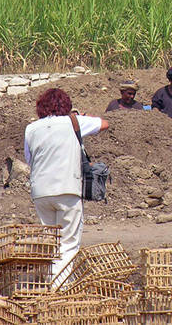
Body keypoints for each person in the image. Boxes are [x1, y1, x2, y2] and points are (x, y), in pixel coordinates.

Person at [24, 88, 109, 278]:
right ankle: (59, 287)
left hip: (41, 192)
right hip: (67, 188)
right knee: (68, 242)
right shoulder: (73, 122)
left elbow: (30, 159)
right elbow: (104, 124)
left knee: (52, 241)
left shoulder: (31, 128)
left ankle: (49, 280)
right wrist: (79, 116)